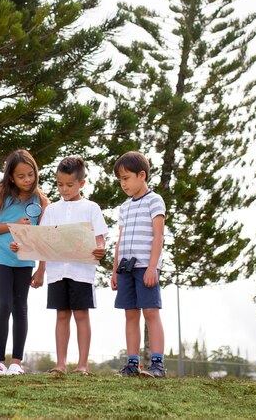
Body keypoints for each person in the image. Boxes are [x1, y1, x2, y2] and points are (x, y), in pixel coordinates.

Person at [14, 155, 107, 375]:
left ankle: (83, 365)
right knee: (61, 314)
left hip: (82, 271)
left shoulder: (91, 208)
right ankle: (61, 364)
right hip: (57, 272)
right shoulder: (52, 209)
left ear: (82, 183)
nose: (64, 189)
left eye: (69, 185)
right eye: (60, 184)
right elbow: (43, 241)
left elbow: (100, 236)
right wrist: (40, 269)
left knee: (81, 314)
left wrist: (100, 247)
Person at [0, 149, 48, 376]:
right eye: (21, 176)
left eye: (30, 174)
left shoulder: (41, 200)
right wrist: (13, 225)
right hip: (1, 258)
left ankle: (16, 363)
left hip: (25, 260)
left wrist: (41, 270)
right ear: (11, 177)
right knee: (4, 304)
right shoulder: (0, 194)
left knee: (21, 308)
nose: (27, 180)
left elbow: (45, 237)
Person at [111, 150, 166, 378]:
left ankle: (157, 365)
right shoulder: (124, 207)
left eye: (126, 178)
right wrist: (114, 269)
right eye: (120, 180)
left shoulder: (155, 200)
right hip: (125, 268)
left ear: (141, 175)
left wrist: (153, 266)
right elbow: (120, 239)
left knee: (151, 312)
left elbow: (158, 236)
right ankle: (132, 364)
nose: (123, 184)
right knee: (130, 314)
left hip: (146, 267)